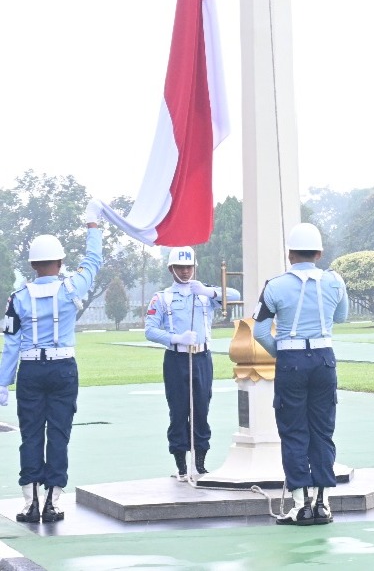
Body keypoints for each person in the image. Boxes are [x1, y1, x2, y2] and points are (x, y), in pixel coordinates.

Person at [0, 202, 103, 524]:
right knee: (59, 434)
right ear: (59, 262)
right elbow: (93, 261)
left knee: (31, 435)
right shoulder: (72, 286)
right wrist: (92, 227)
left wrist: (3, 383)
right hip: (62, 369)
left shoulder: (16, 299)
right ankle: (53, 502)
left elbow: (10, 346)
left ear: (32, 265)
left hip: (30, 370)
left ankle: (29, 502)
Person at [253, 223, 349, 525]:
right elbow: (342, 317)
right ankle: (323, 503)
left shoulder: (275, 285)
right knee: (322, 431)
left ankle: (300, 504)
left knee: (294, 432)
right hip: (324, 358)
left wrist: (282, 353)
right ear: (319, 253)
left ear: (290, 254)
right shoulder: (335, 281)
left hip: (291, 359)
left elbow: (258, 331)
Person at [144, 246, 241, 480]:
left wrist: (210, 292)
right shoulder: (163, 297)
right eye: (180, 267)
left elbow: (236, 295)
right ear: (171, 269)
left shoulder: (203, 293)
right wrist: (175, 338)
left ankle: (200, 463)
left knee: (201, 408)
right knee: (178, 410)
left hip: (201, 357)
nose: (185, 272)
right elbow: (150, 330)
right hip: (177, 357)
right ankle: (180, 464)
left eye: (189, 267)